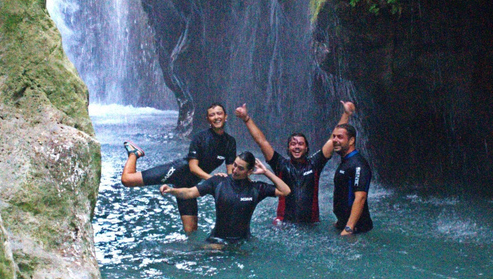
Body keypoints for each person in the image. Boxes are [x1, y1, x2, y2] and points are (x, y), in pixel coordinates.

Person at [120, 103, 236, 233]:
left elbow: (231, 172)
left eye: (219, 114)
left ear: (226, 117)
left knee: (191, 230)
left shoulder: (230, 142)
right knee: (127, 180)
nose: (216, 117)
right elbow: (193, 168)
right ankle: (133, 154)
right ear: (208, 119)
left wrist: (234, 187)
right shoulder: (201, 138)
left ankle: (191, 253)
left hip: (189, 185)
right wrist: (213, 179)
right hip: (178, 171)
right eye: (212, 115)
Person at [235, 101, 355, 223]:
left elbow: (332, 140)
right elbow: (262, 142)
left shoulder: (315, 164)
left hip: (311, 224)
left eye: (300, 144)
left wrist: (346, 114)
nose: (297, 147)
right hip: (284, 224)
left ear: (306, 148)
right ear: (288, 148)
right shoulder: (280, 165)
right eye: (293, 144)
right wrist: (246, 119)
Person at [160, 152, 291, 243]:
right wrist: (171, 190)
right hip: (217, 241)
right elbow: (189, 193)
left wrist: (266, 172)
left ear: (249, 171)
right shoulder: (218, 181)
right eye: (234, 165)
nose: (234, 170)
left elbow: (285, 191)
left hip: (242, 243)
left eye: (240, 168)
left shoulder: (256, 189)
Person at [331, 122, 373, 235]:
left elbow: (361, 197)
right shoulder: (346, 161)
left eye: (340, 137)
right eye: (334, 136)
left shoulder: (358, 164)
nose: (335, 140)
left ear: (351, 141)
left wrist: (349, 228)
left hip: (357, 230)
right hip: (344, 225)